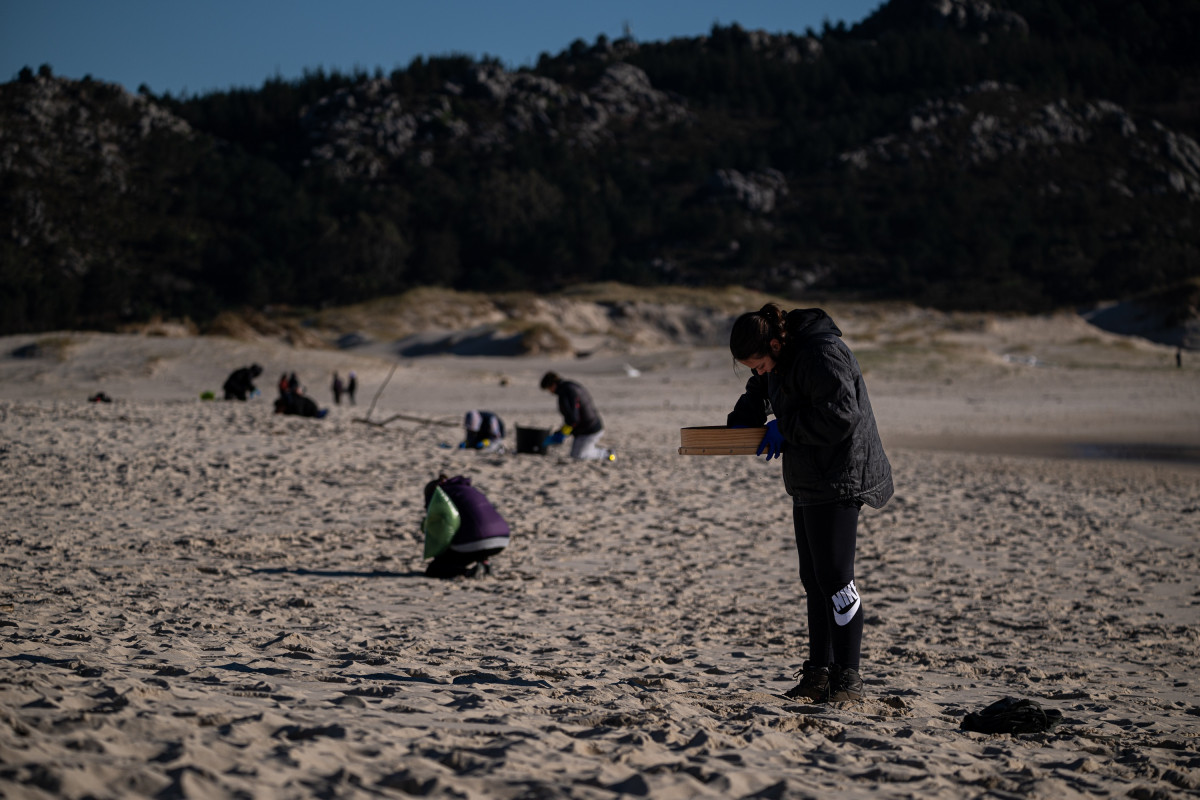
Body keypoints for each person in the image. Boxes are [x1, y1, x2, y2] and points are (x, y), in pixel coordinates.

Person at [726, 304, 893, 703]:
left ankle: (849, 679)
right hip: (808, 477)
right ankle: (818, 674)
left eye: (760, 363)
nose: (759, 372)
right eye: (752, 368)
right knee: (813, 581)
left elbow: (841, 416)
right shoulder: (778, 361)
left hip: (841, 475)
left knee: (836, 579)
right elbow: (760, 392)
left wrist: (786, 428)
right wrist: (741, 421)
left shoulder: (822, 353)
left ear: (776, 342)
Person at [422, 474, 510, 578]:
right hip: (502, 539)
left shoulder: (439, 496)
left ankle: (468, 572)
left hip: (475, 540)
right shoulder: (468, 489)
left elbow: (444, 528)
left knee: (435, 569)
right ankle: (484, 562)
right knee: (472, 532)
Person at [539, 371, 615, 461]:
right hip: (588, 427)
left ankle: (608, 454)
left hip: (589, 429)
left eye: (548, 389)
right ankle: (603, 452)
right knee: (576, 453)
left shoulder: (565, 392)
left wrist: (562, 433)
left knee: (579, 455)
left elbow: (573, 419)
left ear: (552, 385)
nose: (550, 392)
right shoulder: (569, 386)